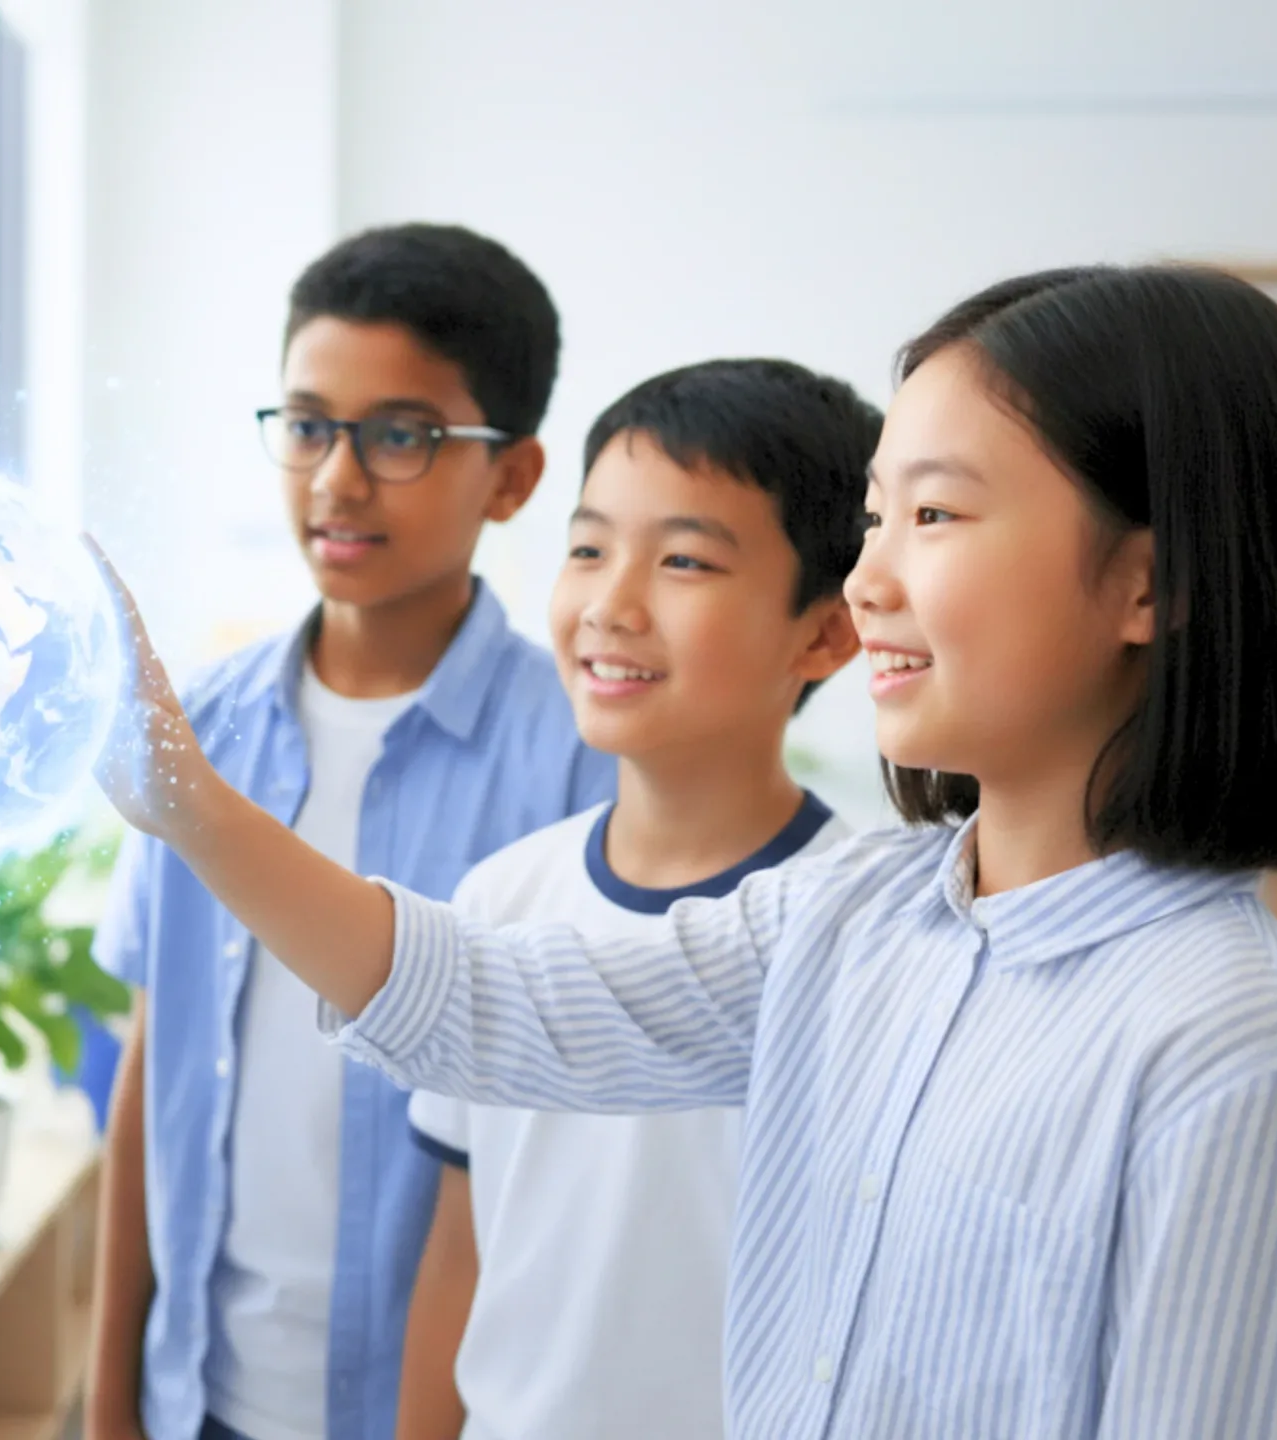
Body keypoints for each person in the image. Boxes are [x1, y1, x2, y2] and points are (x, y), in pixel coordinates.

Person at [94, 264, 1277, 1437]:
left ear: (1148, 585)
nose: (872, 580)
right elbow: (493, 1007)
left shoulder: (1228, 1057)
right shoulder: (863, 913)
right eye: (876, 519)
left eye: (936, 518)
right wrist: (189, 800)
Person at [84, 223, 614, 1440]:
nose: (336, 478)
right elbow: (149, 1078)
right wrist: (109, 1404)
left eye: (400, 436)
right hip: (198, 1404)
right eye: (310, 424)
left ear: (515, 476)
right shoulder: (186, 732)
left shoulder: (577, 759)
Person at [394, 358, 877, 1440]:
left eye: (685, 562)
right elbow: (460, 1249)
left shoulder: (859, 936)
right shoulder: (502, 895)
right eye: (586, 548)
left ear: (827, 630)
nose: (610, 604)